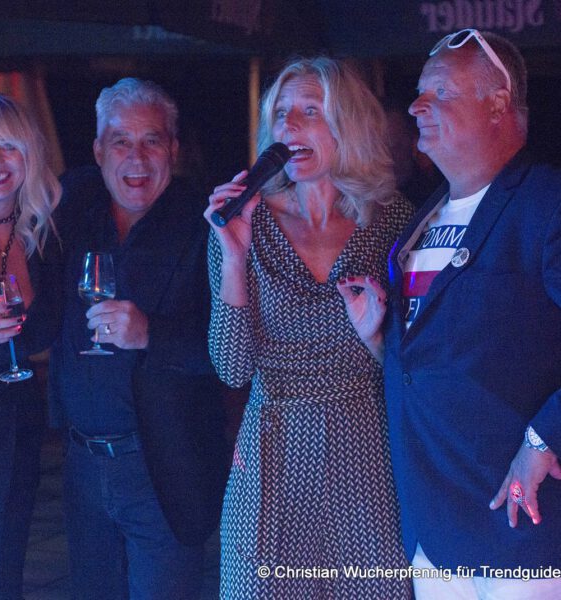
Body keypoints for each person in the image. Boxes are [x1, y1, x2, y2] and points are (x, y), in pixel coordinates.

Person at [205, 57, 414, 599]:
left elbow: (416, 365)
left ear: (348, 125)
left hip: (365, 452)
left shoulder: (393, 221)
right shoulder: (246, 220)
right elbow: (231, 368)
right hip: (272, 451)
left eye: (309, 111)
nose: (289, 125)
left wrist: (374, 338)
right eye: (280, 113)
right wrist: (234, 256)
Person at [377, 29, 561, 598]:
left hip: (521, 527)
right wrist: (378, 336)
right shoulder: (420, 220)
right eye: (418, 91)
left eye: (439, 92)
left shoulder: (545, 203)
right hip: (432, 530)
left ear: (498, 104)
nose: (416, 106)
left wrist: (544, 441)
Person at [48, 78, 227, 599]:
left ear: (174, 148)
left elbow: (233, 352)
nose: (137, 158)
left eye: (152, 141)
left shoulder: (206, 226)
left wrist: (152, 333)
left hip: (162, 469)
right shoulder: (73, 207)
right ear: (98, 151)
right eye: (121, 142)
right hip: (82, 465)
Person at [0, 93, 62, 599]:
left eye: (9, 147)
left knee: (3, 581)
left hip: (17, 435)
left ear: (29, 155)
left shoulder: (44, 233)